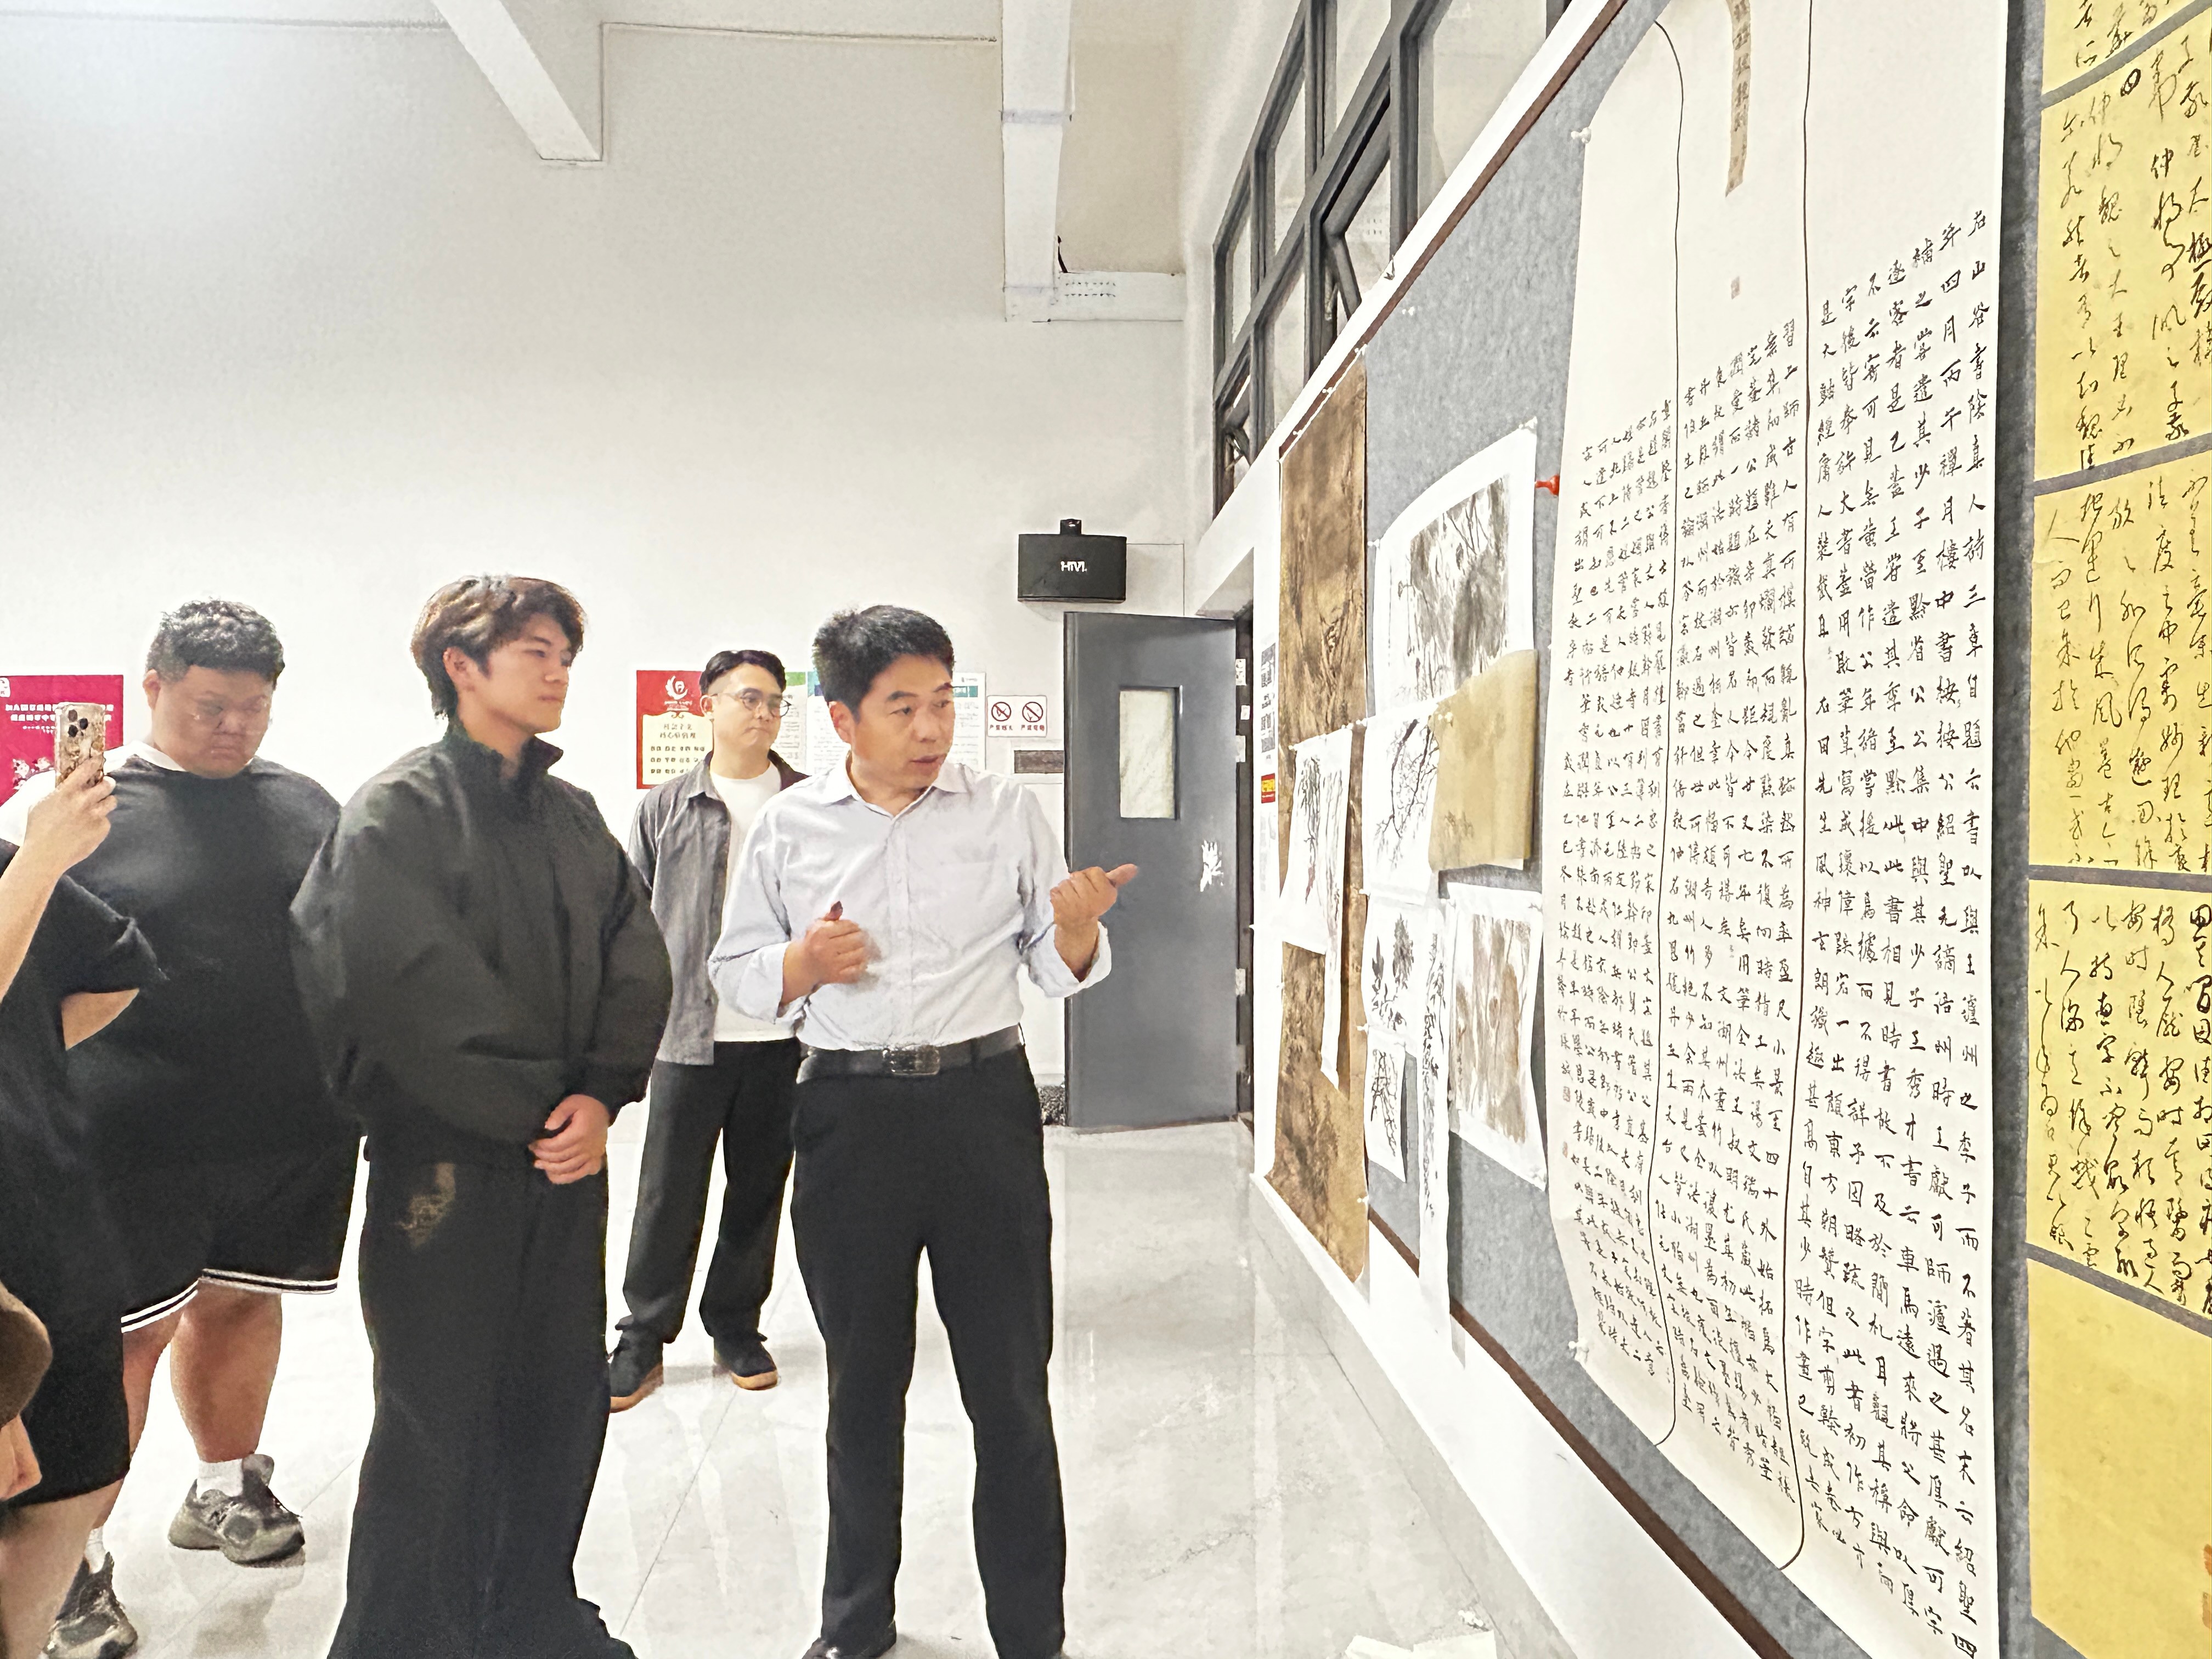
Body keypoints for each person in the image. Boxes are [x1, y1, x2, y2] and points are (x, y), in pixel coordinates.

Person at [711, 606, 1133, 1659]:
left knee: (1011, 1391)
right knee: (862, 1389)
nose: (932, 727)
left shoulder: (1006, 812)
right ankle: (856, 1623)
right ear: (842, 719)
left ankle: (1031, 1634)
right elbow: (736, 973)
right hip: (849, 1118)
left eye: (943, 701)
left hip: (983, 1111)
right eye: (903, 707)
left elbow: (1049, 966)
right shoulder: (791, 827)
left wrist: (1075, 932)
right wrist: (802, 966)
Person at [291, 575, 672, 1659]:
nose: (558, 673)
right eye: (535, 652)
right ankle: (405, 1640)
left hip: (568, 1158)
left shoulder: (573, 815)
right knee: (437, 1414)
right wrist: (543, 1106)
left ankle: (531, 1615)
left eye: (566, 655)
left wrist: (602, 1091)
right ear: (460, 666)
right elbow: (403, 990)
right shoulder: (395, 814)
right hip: (445, 1168)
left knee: (557, 1399)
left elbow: (635, 955)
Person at [0, 602, 349, 1659]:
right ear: (151, 688)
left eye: (254, 707)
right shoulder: (68, 810)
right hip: (127, 1137)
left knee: (243, 1304)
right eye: (209, 706)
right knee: (124, 1339)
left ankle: (225, 1486)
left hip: (284, 1125)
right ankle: (76, 1561)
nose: (233, 726)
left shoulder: (307, 804)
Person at [610, 650, 805, 1410]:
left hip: (782, 1034)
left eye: (775, 702)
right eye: (748, 698)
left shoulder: (809, 803)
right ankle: (643, 1336)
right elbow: (631, 922)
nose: (763, 713)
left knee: (758, 1189)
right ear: (708, 706)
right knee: (668, 1192)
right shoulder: (665, 807)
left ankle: (736, 1325)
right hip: (686, 1036)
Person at [0, 765, 158, 1659]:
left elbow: (116, 969)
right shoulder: (25, 865)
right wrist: (43, 859)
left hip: (47, 1216)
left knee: (71, 1481)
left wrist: (26, 1057)